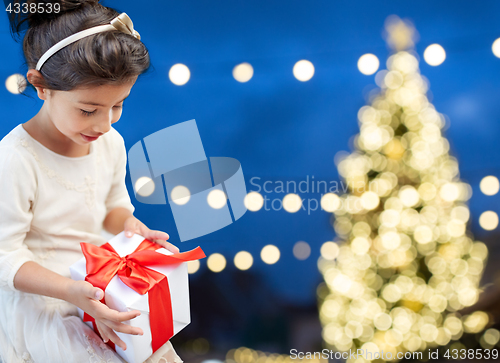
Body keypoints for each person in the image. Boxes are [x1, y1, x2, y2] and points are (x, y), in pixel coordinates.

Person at [0, 1, 183, 362]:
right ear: (40, 85)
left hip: (102, 291)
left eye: (119, 105)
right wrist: (72, 291)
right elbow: (4, 255)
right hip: (47, 303)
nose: (105, 124)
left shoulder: (110, 143)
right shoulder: (15, 159)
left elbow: (110, 210)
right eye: (88, 110)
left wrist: (133, 228)